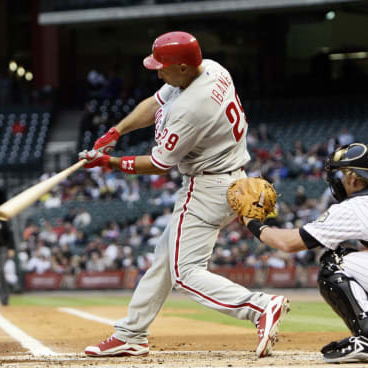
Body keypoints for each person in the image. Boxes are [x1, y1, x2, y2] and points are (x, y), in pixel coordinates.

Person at [79, 31, 289, 358]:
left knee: (184, 273)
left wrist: (111, 163)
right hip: (228, 178)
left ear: (182, 67)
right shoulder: (211, 69)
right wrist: (116, 132)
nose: (157, 72)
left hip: (206, 187)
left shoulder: (193, 107)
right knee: (165, 261)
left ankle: (259, 307)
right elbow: (156, 102)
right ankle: (131, 333)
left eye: (162, 67)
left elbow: (161, 164)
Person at [243, 142, 368, 364]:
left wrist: (251, 222)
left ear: (353, 178)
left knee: (335, 260)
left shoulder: (357, 205)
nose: (337, 180)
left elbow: (289, 243)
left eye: (340, 174)